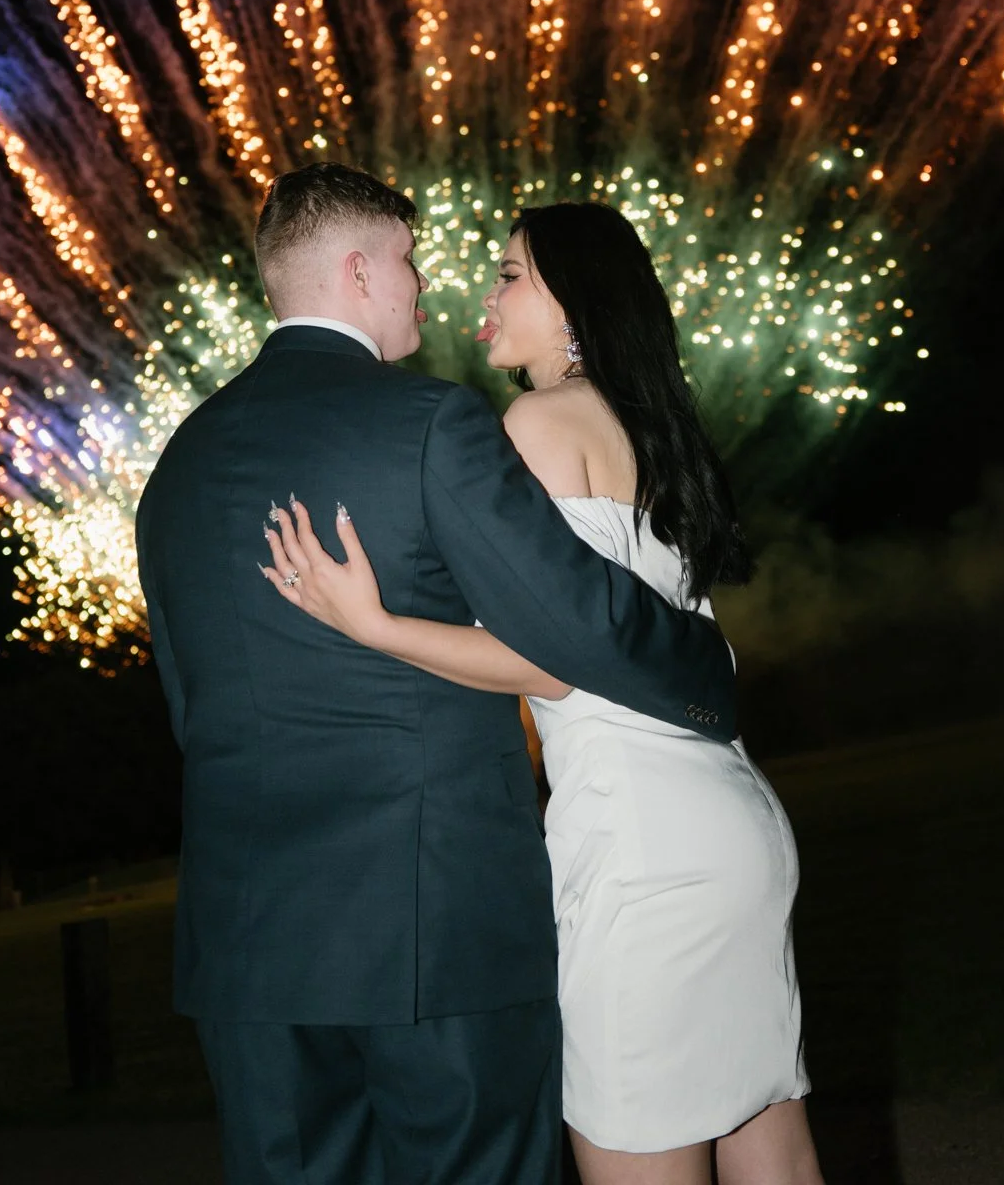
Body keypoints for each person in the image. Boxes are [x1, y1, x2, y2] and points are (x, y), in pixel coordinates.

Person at [136, 163, 739, 1185]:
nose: (422, 283)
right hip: (435, 922)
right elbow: (574, 620)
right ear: (357, 270)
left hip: (248, 942)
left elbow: (188, 704)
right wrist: (705, 667)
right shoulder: (428, 423)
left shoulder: (178, 465)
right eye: (407, 261)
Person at [265, 200, 823, 1185]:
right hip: (732, 823)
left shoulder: (539, 420)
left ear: (575, 301)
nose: (484, 294)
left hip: (641, 847)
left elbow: (549, 656)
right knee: (769, 1147)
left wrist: (374, 623)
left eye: (511, 273)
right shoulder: (652, 430)